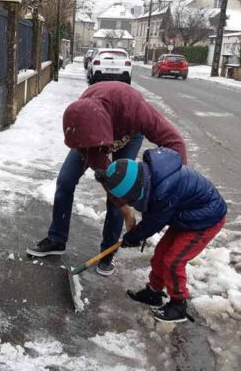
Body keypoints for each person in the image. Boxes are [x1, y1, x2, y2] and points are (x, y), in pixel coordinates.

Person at [27, 81, 187, 276]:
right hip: (90, 132)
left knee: (121, 188)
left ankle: (107, 253)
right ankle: (57, 238)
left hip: (128, 135)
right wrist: (126, 209)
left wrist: (175, 187)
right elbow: (103, 172)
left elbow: (174, 142)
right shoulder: (83, 117)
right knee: (65, 182)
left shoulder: (136, 110)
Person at [95, 148, 227, 323]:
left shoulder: (163, 190)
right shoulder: (152, 178)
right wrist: (135, 235)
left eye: (132, 200)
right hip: (185, 216)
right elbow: (154, 217)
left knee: (173, 260)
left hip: (205, 221)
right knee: (160, 255)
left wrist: (133, 237)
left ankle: (179, 304)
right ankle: (154, 292)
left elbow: (154, 221)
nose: (133, 204)